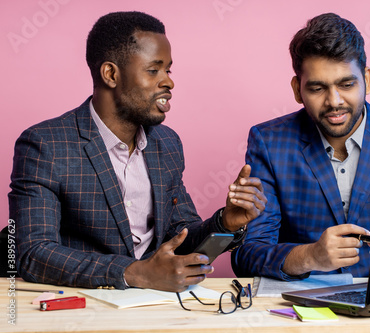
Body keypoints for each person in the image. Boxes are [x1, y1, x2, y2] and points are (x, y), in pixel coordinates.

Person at [9, 11, 266, 292]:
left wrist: (225, 223)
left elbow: (182, 238)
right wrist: (135, 273)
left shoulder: (167, 144)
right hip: (83, 305)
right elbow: (33, 253)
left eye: (168, 70)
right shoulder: (46, 145)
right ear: (111, 74)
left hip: (156, 306)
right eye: (153, 70)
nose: (168, 82)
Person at [231, 13, 370, 280]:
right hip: (300, 311)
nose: (334, 101)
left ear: (366, 79)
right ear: (297, 89)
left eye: (346, 84)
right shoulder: (270, 142)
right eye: (318, 88)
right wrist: (310, 256)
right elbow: (247, 254)